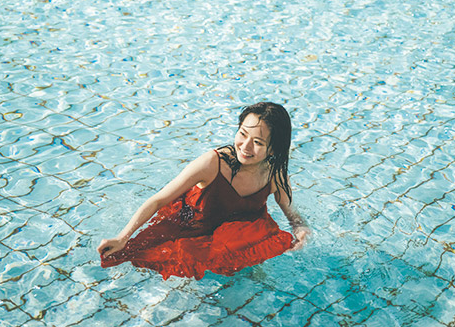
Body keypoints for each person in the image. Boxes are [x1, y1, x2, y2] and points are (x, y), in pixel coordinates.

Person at [98, 101, 310, 280]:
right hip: (192, 223)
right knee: (147, 257)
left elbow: (293, 216)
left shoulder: (275, 174)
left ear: (273, 149)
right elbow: (158, 200)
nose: (245, 146)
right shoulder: (212, 163)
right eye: (242, 134)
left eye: (257, 142)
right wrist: (122, 237)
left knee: (264, 254)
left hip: (238, 230)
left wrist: (301, 230)